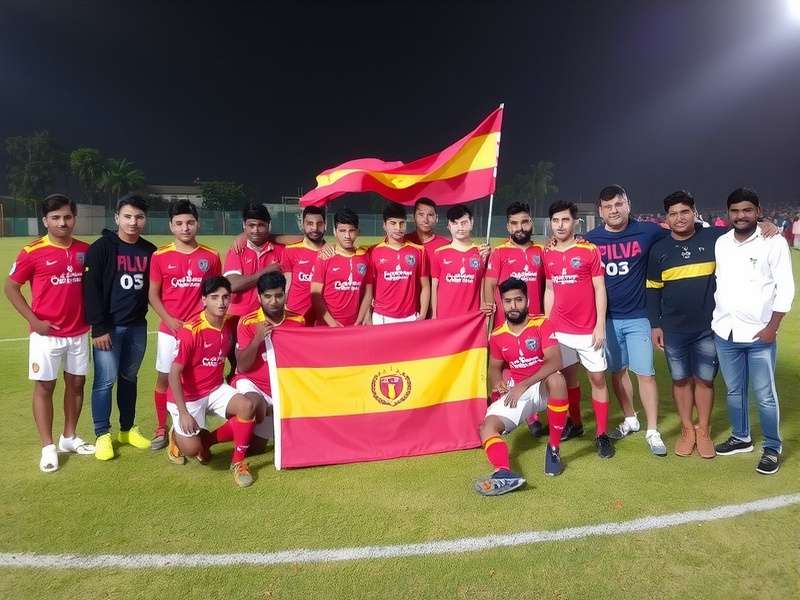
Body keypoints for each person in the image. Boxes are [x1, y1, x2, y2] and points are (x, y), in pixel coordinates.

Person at [4, 194, 94, 472]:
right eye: (55, 218)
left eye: (67, 217)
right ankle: (47, 447)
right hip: (46, 335)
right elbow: (10, 287)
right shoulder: (32, 251)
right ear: (45, 220)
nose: (62, 222)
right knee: (45, 386)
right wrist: (34, 320)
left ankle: (68, 437)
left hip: (79, 332)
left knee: (76, 385)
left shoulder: (85, 250)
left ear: (74, 218)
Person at [712, 188, 794, 475]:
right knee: (734, 391)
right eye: (735, 211)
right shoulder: (721, 242)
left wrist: (773, 327)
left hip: (760, 335)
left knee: (765, 395)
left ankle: (772, 446)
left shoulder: (773, 242)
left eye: (747, 210)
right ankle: (741, 437)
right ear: (728, 214)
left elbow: (786, 288)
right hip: (725, 332)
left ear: (758, 211)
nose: (740, 216)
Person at [584, 185, 667, 456]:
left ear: (628, 204)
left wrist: (763, 225)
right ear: (600, 211)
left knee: (645, 374)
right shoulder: (590, 239)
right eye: (608, 207)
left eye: (619, 204)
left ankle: (653, 430)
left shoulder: (648, 231)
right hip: (606, 319)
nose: (614, 210)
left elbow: (685, 231)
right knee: (617, 373)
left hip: (638, 316)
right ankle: (631, 418)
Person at [646, 191, 727, 459]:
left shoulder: (715, 239)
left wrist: (765, 225)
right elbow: (653, 291)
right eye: (673, 214)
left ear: (695, 212)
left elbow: (745, 232)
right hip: (673, 329)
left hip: (708, 327)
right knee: (680, 380)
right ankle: (686, 430)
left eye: (684, 212)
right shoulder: (659, 250)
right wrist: (656, 325)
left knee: (704, 380)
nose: (679, 218)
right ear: (666, 218)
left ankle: (703, 429)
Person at [474, 278, 569, 496]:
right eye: (508, 301)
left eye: (518, 300)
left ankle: (553, 448)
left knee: (557, 379)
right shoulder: (497, 335)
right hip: (518, 392)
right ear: (502, 303)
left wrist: (523, 385)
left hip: (540, 385)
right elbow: (495, 368)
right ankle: (503, 472)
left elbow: (555, 361)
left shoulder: (542, 324)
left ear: (527, 301)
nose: (513, 306)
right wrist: (497, 381)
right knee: (487, 427)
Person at [166, 276, 258, 487]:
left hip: (215, 388)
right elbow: (173, 373)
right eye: (215, 297)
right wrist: (184, 412)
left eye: (225, 297)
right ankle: (178, 436)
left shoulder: (229, 324)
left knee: (248, 407)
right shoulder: (191, 331)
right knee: (193, 451)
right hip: (188, 396)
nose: (221, 302)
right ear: (204, 300)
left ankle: (238, 462)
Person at [83, 194, 156, 460]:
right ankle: (103, 434)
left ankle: (127, 429)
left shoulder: (149, 251)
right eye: (127, 216)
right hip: (109, 329)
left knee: (129, 378)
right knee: (104, 382)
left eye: (138, 217)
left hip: (137, 327)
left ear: (144, 220)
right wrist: (99, 328)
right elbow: (90, 291)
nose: (133, 222)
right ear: (117, 218)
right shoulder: (101, 248)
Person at [543, 200, 614, 458]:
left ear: (575, 222)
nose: (560, 225)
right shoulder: (547, 253)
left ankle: (602, 434)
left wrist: (600, 325)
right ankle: (576, 424)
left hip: (588, 331)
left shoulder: (589, 250)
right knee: (566, 379)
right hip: (560, 330)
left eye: (565, 220)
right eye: (555, 220)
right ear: (550, 224)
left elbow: (599, 288)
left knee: (597, 379)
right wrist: (548, 325)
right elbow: (549, 289)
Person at [148, 200, 222, 449]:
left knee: (197, 376)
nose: (185, 228)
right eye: (179, 223)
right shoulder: (160, 256)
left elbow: (215, 293)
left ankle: (194, 424)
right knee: (165, 378)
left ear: (197, 223)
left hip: (201, 332)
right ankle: (162, 427)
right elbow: (153, 294)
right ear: (171, 226)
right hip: (171, 331)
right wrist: (169, 320)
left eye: (190, 222)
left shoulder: (211, 256)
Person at [484, 201, 547, 436]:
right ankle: (498, 407)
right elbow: (489, 284)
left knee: (531, 364)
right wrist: (490, 310)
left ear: (531, 222)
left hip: (534, 322)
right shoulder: (499, 252)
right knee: (502, 368)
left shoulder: (541, 251)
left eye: (524, 222)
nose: (519, 227)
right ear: (508, 227)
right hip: (505, 323)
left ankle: (532, 416)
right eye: (514, 223)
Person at [232, 271, 305, 451]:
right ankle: (214, 443)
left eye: (279, 296)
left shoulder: (298, 320)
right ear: (259, 297)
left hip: (277, 389)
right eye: (268, 296)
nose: (273, 301)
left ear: (285, 294)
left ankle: (211, 440)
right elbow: (242, 366)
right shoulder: (247, 322)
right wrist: (257, 339)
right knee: (255, 404)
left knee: (256, 449)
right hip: (252, 384)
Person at [366, 203, 430, 324]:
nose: (398, 228)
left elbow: (425, 286)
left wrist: (422, 315)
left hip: (410, 317)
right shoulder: (372, 251)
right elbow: (368, 288)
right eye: (393, 223)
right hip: (381, 317)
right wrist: (367, 314)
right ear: (384, 225)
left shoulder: (419, 250)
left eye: (402, 223)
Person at [310, 209, 372, 327]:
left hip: (353, 326)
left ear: (358, 231)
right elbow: (315, 296)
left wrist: (359, 320)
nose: (347, 236)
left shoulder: (364, 256)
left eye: (351, 231)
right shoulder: (325, 256)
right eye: (342, 231)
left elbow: (368, 294)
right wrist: (333, 324)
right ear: (334, 231)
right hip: (328, 326)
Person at [430, 204, 493, 319]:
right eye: (455, 223)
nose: (460, 227)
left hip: (472, 319)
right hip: (445, 317)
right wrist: (434, 315)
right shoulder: (439, 253)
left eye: (464, 223)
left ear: (472, 222)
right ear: (448, 226)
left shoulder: (482, 252)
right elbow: (434, 286)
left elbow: (484, 283)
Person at [281, 205, 327, 325]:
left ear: (325, 225)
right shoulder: (290, 250)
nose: (315, 228)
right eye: (310, 223)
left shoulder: (332, 252)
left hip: (324, 318)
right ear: (303, 225)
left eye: (319, 224)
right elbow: (287, 280)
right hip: (295, 315)